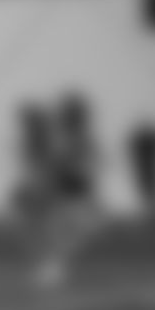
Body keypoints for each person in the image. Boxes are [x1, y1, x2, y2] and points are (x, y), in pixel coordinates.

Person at [35, 91, 101, 288]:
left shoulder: (76, 138)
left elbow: (81, 162)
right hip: (66, 191)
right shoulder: (65, 138)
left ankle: (55, 267)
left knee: (76, 231)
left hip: (75, 190)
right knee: (62, 234)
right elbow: (57, 164)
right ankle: (54, 268)